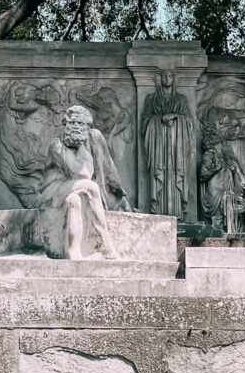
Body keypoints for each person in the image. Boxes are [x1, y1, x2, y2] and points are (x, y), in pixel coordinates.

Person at [40, 105, 130, 260]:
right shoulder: (57, 145)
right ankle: (106, 246)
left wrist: (121, 196)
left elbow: (109, 169)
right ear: (66, 125)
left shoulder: (94, 139)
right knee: (90, 187)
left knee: (74, 201)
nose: (75, 127)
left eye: (80, 124)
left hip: (73, 193)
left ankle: (73, 253)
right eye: (72, 123)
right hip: (55, 191)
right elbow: (81, 174)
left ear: (88, 128)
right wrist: (80, 146)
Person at [140, 68, 193, 217]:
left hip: (177, 146)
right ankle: (157, 210)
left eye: (170, 76)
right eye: (165, 76)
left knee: (176, 174)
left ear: (174, 79)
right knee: (159, 173)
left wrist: (176, 118)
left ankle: (177, 212)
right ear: (160, 79)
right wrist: (159, 120)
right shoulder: (151, 99)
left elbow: (189, 122)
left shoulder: (181, 99)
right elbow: (145, 120)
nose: (168, 78)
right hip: (158, 144)